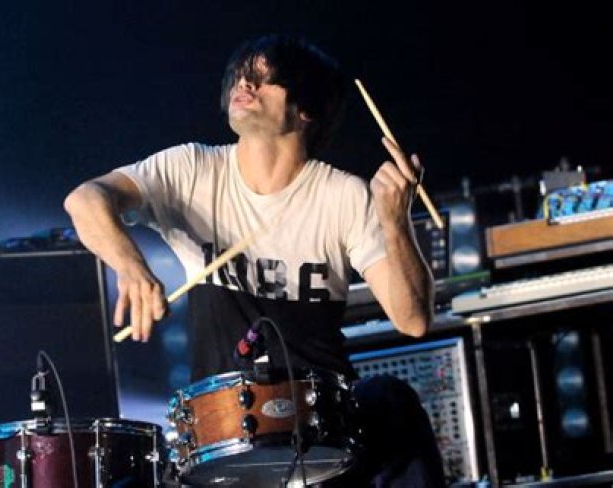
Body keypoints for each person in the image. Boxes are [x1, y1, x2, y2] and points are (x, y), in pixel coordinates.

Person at [65, 34, 445, 487]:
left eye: (266, 79)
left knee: (391, 399)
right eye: (241, 75)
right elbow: (85, 199)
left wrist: (395, 221)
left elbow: (413, 320)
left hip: (324, 433)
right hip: (222, 435)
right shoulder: (193, 170)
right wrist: (131, 267)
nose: (244, 84)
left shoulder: (345, 197)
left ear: (305, 110)